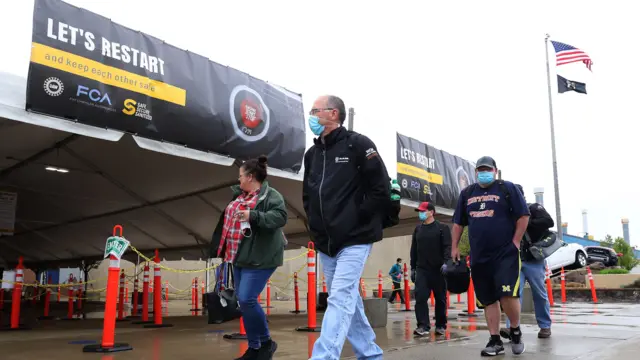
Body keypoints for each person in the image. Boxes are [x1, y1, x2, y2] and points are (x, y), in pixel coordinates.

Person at [303, 95, 389, 360]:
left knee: (339, 298)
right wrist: (315, 227)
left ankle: (323, 357)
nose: (312, 116)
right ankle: (370, 354)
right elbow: (308, 195)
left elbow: (381, 188)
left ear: (333, 113)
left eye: (316, 111)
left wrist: (358, 218)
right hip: (326, 243)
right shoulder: (312, 154)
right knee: (348, 299)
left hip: (355, 237)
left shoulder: (358, 144)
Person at [451, 156, 530, 357]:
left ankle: (515, 329)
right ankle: (495, 340)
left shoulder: (507, 188)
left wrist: (516, 241)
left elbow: (523, 215)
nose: (483, 173)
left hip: (505, 253)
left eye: (487, 169)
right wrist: (455, 247)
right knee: (488, 299)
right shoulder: (467, 193)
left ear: (495, 171)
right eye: (480, 170)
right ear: (475, 172)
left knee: (507, 294)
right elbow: (458, 223)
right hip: (479, 257)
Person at [211, 155, 287, 360]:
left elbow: (280, 217)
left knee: (247, 299)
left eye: (241, 176)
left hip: (261, 257)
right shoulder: (240, 197)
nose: (238, 180)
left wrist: (253, 216)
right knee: (244, 302)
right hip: (239, 256)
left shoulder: (271, 196)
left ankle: (266, 343)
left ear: (251, 177)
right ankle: (254, 349)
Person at [500, 184, 553, 340]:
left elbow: (548, 222)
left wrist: (524, 221)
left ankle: (545, 326)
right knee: (513, 295)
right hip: (514, 260)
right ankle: (512, 328)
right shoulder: (506, 214)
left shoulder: (534, 208)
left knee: (540, 293)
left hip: (533, 259)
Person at [410, 202, 451, 336]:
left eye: (423, 211)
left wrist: (446, 263)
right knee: (420, 297)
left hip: (438, 270)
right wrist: (412, 268)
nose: (421, 213)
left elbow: (447, 247)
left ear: (431, 212)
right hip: (422, 269)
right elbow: (414, 250)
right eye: (420, 211)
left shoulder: (442, 228)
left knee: (440, 299)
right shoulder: (418, 229)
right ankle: (423, 325)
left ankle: (440, 325)